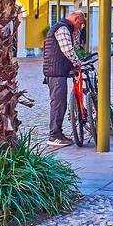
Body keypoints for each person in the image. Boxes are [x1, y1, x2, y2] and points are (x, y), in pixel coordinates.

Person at [44, 9, 87, 150]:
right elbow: (68, 49)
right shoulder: (62, 28)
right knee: (58, 103)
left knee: (59, 102)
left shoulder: (67, 28)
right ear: (76, 18)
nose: (79, 28)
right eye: (80, 24)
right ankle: (54, 135)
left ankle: (58, 133)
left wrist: (76, 33)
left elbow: (74, 45)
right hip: (56, 72)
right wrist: (77, 62)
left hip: (59, 70)